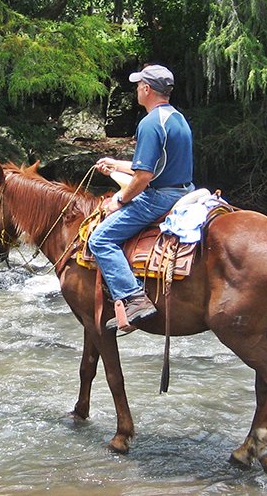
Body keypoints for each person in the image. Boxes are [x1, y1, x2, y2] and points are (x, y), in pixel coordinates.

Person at [88, 64, 194, 332]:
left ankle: (134, 298)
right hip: (184, 191)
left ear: (147, 89)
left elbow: (144, 177)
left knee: (99, 239)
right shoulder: (177, 118)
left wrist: (120, 200)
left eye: (138, 86)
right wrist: (116, 164)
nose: (136, 90)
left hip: (159, 197)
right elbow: (152, 166)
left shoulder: (149, 123)